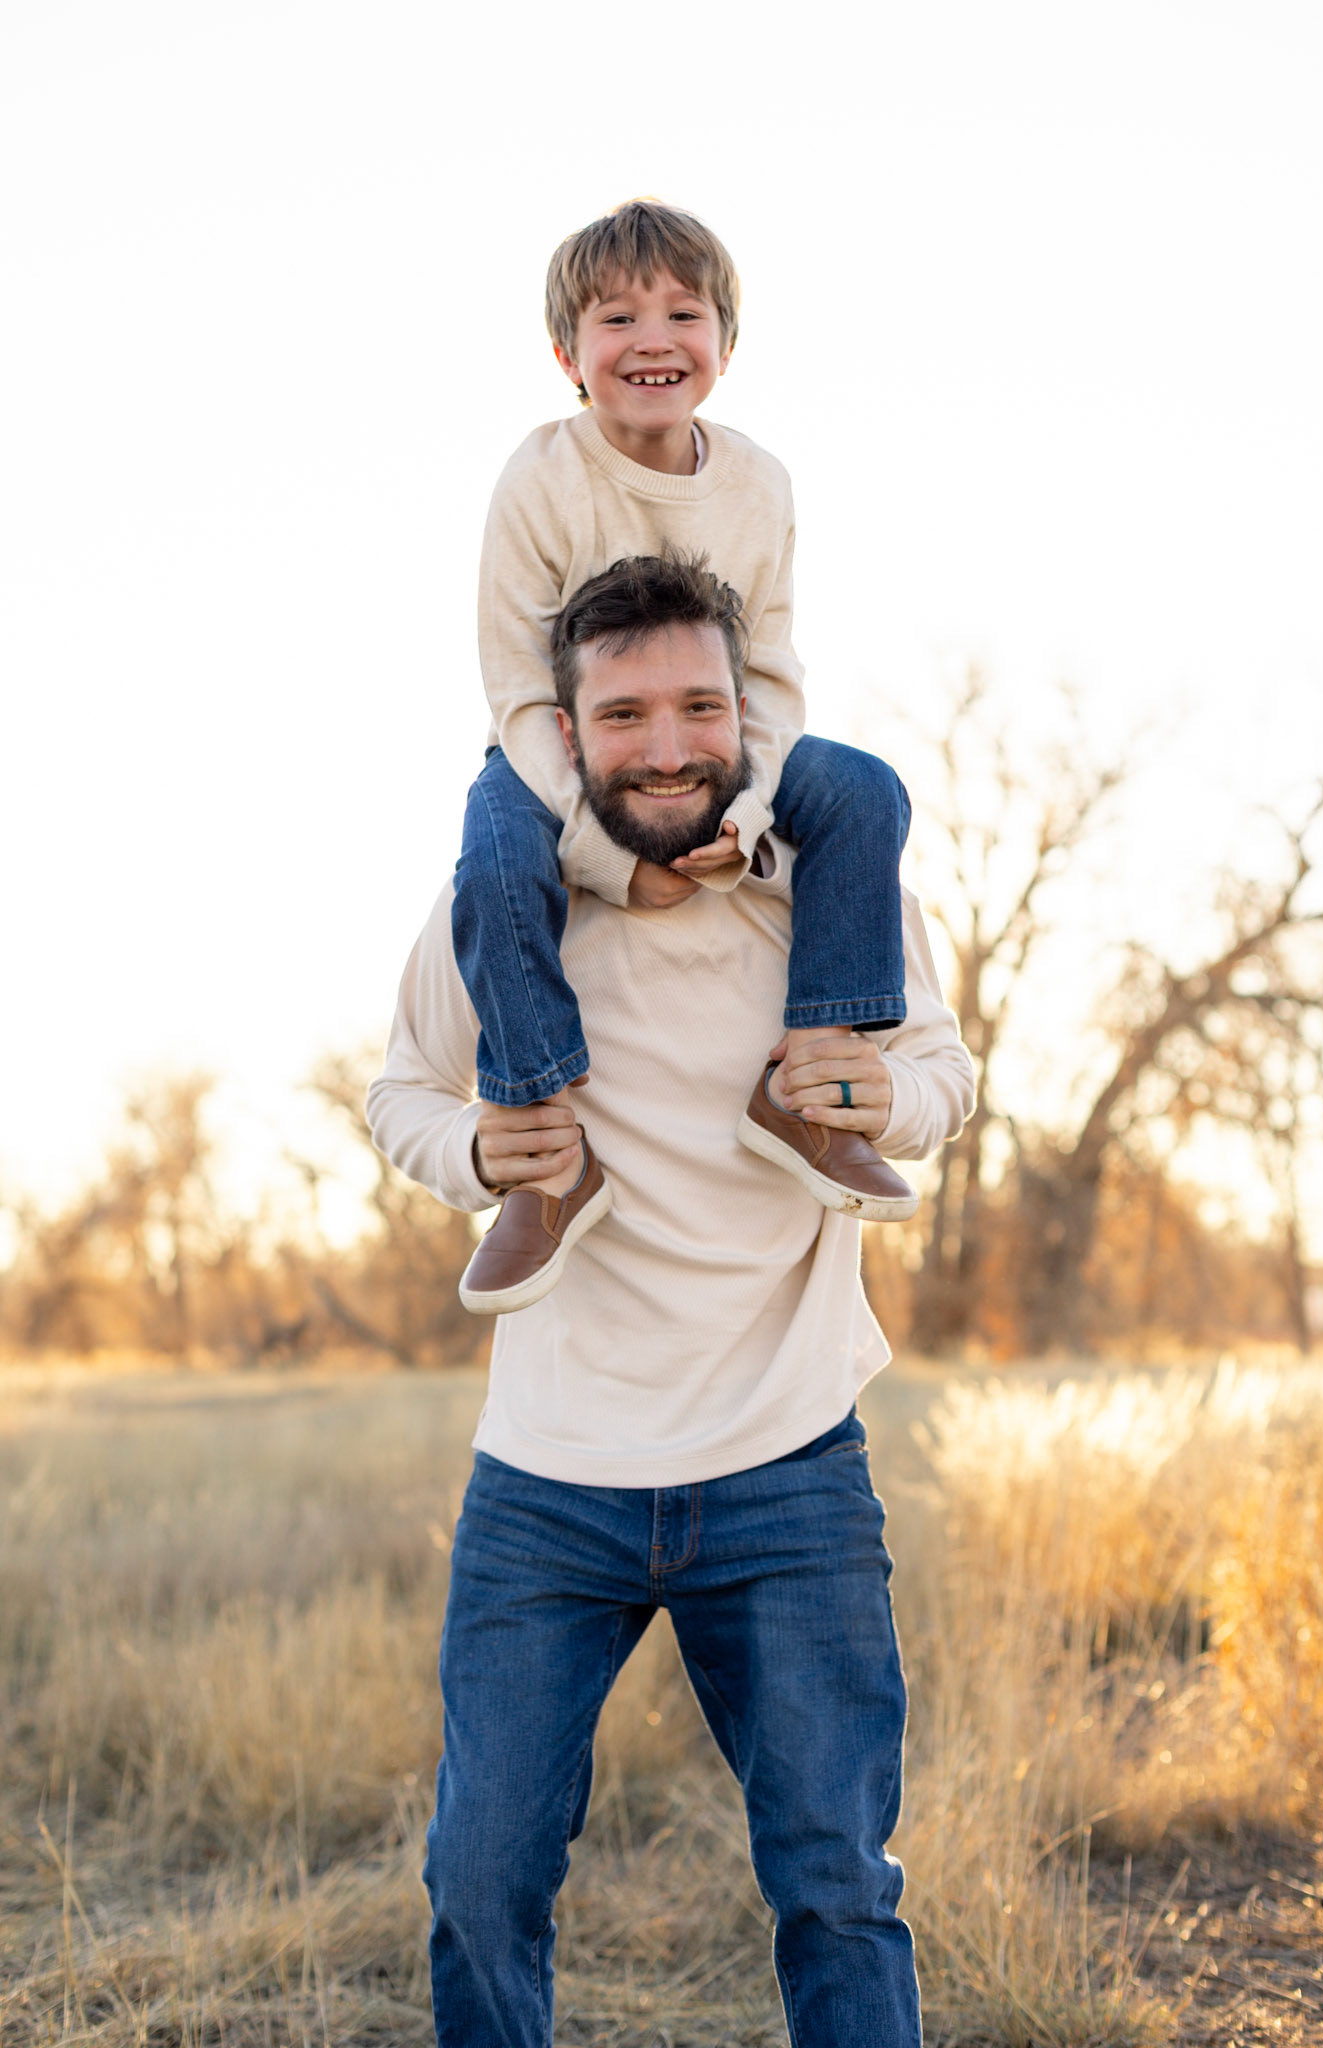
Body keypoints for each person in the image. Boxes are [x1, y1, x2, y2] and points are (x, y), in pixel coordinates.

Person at [367, 552, 976, 2048]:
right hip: (550, 1480)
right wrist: (475, 1152)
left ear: (749, 710)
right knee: (480, 1880)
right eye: (625, 713)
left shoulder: (829, 895)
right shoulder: (503, 913)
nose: (667, 746)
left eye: (700, 705)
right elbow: (401, 1094)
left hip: (788, 1463)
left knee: (838, 1884)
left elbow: (943, 1074)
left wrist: (881, 1097)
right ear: (563, 734)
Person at [454, 197, 917, 1314]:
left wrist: (746, 816)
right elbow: (519, 689)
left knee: (863, 791)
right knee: (493, 856)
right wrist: (604, 854)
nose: (652, 339)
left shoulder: (759, 487)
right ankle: (548, 1153)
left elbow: (773, 678)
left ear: (725, 341)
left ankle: (809, 1082)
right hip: (563, 758)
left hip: (725, 754)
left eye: (682, 313)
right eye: (617, 318)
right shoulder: (540, 480)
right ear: (567, 353)